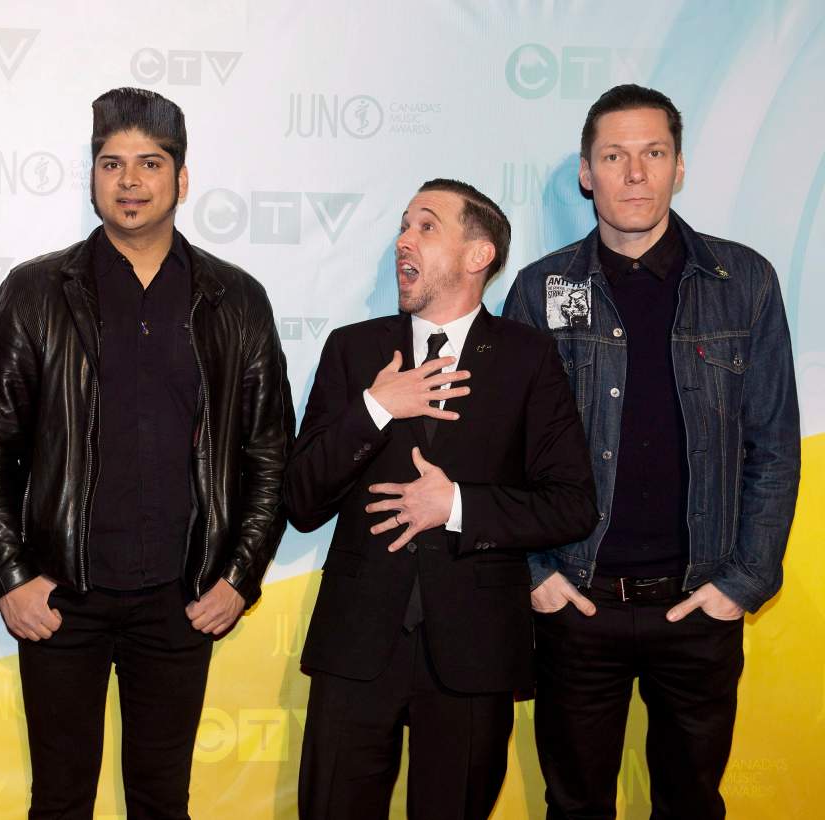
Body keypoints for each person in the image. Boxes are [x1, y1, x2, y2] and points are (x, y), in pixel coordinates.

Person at [0, 87, 295, 819]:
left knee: (161, 800)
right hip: (60, 599)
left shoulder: (235, 299)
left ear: (182, 179)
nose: (128, 180)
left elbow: (269, 453)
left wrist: (238, 576)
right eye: (111, 162)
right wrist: (12, 576)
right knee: (58, 800)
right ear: (92, 175)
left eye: (150, 163)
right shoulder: (34, 292)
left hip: (181, 599)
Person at [504, 84, 800, 820]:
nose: (634, 174)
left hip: (699, 606)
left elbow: (773, 447)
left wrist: (743, 583)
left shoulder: (746, 283)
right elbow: (501, 450)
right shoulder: (541, 289)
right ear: (585, 172)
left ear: (679, 168)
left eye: (653, 153)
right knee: (574, 807)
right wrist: (536, 574)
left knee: (692, 803)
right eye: (614, 155)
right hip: (577, 606)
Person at [287, 179, 598, 819]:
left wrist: (456, 505)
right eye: (404, 225)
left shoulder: (528, 359)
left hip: (475, 650)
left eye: (427, 226)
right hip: (357, 645)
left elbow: (571, 504)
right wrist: (377, 407)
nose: (405, 239)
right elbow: (302, 499)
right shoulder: (355, 349)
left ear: (477, 255)